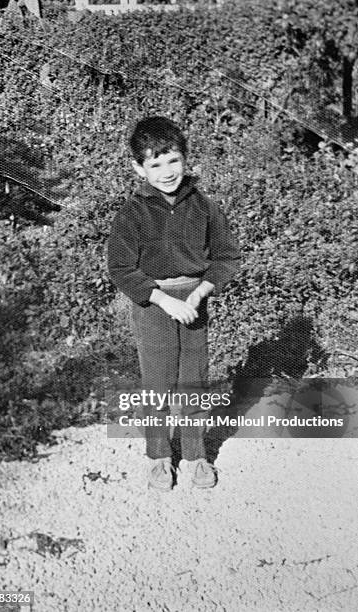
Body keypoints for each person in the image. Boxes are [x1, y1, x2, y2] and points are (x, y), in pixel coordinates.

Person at [107, 116, 240, 490]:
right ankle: (159, 458)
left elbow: (226, 257)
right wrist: (163, 300)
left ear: (186, 159)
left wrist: (200, 292)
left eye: (173, 161)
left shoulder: (204, 206)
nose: (166, 172)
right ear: (139, 168)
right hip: (153, 305)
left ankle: (197, 456)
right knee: (158, 383)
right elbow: (120, 269)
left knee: (193, 380)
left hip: (194, 301)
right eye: (155, 164)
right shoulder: (132, 213)